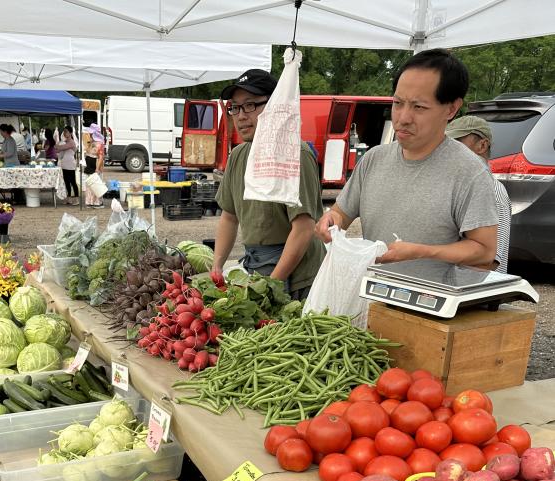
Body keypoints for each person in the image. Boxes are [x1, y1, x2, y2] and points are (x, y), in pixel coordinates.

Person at [316, 49, 498, 270]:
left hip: (429, 301)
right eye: (398, 103)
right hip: (371, 298)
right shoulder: (374, 159)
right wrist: (331, 221)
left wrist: (422, 252)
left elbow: (484, 251)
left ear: (451, 108)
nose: (403, 118)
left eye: (418, 107)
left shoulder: (469, 171)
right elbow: (340, 213)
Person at [213, 69, 324, 300]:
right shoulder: (238, 156)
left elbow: (303, 229)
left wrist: (273, 284)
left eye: (250, 105)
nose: (241, 115)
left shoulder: (296, 154)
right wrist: (216, 267)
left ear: (276, 107)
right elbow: (229, 216)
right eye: (235, 107)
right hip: (259, 269)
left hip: (298, 276)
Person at [445, 114, 511, 273]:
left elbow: (490, 260)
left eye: (457, 143)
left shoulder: (492, 190)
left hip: (477, 293)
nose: (448, 150)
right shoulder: (460, 186)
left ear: (482, 145)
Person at [55, 125, 79, 204]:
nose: (65, 133)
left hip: (71, 165)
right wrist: (57, 147)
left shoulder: (72, 142)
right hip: (64, 164)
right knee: (66, 182)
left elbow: (61, 148)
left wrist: (57, 146)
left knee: (73, 182)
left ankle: (76, 198)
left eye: (66, 131)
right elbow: (58, 151)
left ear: (71, 133)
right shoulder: (65, 142)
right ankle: (68, 198)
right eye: (64, 131)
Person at [84, 124, 105, 207]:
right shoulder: (92, 142)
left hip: (95, 165)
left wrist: (97, 168)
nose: (90, 134)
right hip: (89, 164)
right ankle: (89, 201)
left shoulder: (100, 144)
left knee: (95, 184)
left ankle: (97, 202)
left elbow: (100, 157)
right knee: (89, 184)